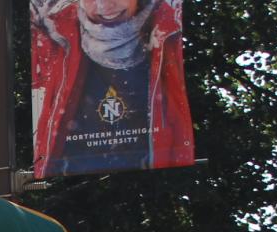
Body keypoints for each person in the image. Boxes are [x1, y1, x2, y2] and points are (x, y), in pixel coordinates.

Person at [31, 0, 193, 178]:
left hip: (156, 185)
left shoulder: (170, 28)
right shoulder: (53, 30)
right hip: (71, 188)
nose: (104, 6)